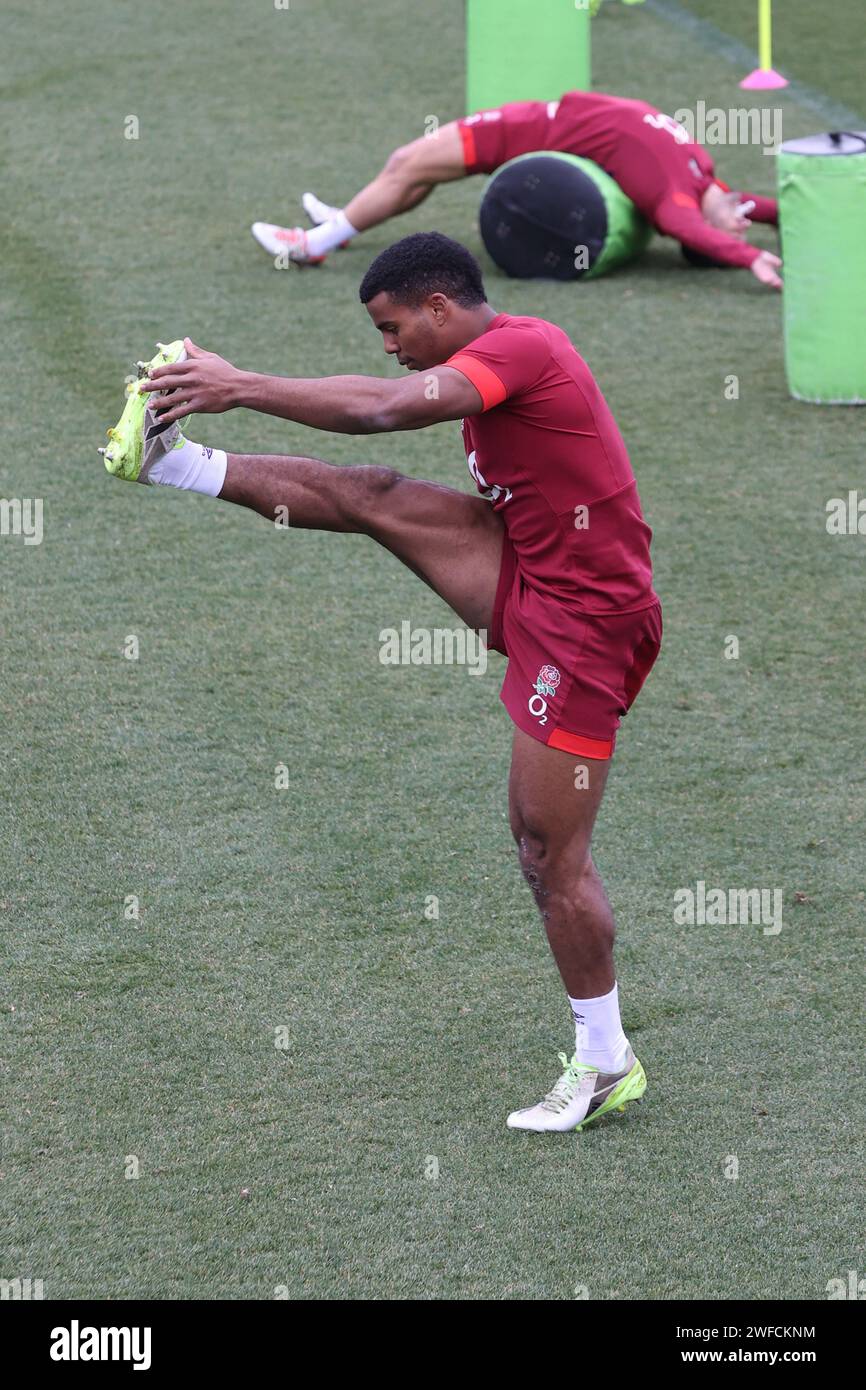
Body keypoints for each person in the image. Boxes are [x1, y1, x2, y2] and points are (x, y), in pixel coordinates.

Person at [100, 232, 662, 1133]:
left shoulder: (522, 348)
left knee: (546, 853)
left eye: (393, 327)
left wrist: (240, 385)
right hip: (534, 575)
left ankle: (605, 1061)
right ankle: (171, 461)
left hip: (588, 627)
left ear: (440, 308)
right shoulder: (491, 353)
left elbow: (385, 408)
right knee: (374, 493)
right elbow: (381, 421)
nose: (390, 347)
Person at [251, 90, 782, 287]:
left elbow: (689, 227)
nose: (742, 215)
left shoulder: (680, 200)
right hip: (538, 118)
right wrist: (797, 216)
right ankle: (345, 224)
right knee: (413, 168)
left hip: (525, 132)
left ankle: (314, 245)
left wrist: (747, 257)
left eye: (738, 223)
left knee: (408, 162)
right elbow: (758, 207)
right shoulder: (705, 178)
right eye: (738, 218)